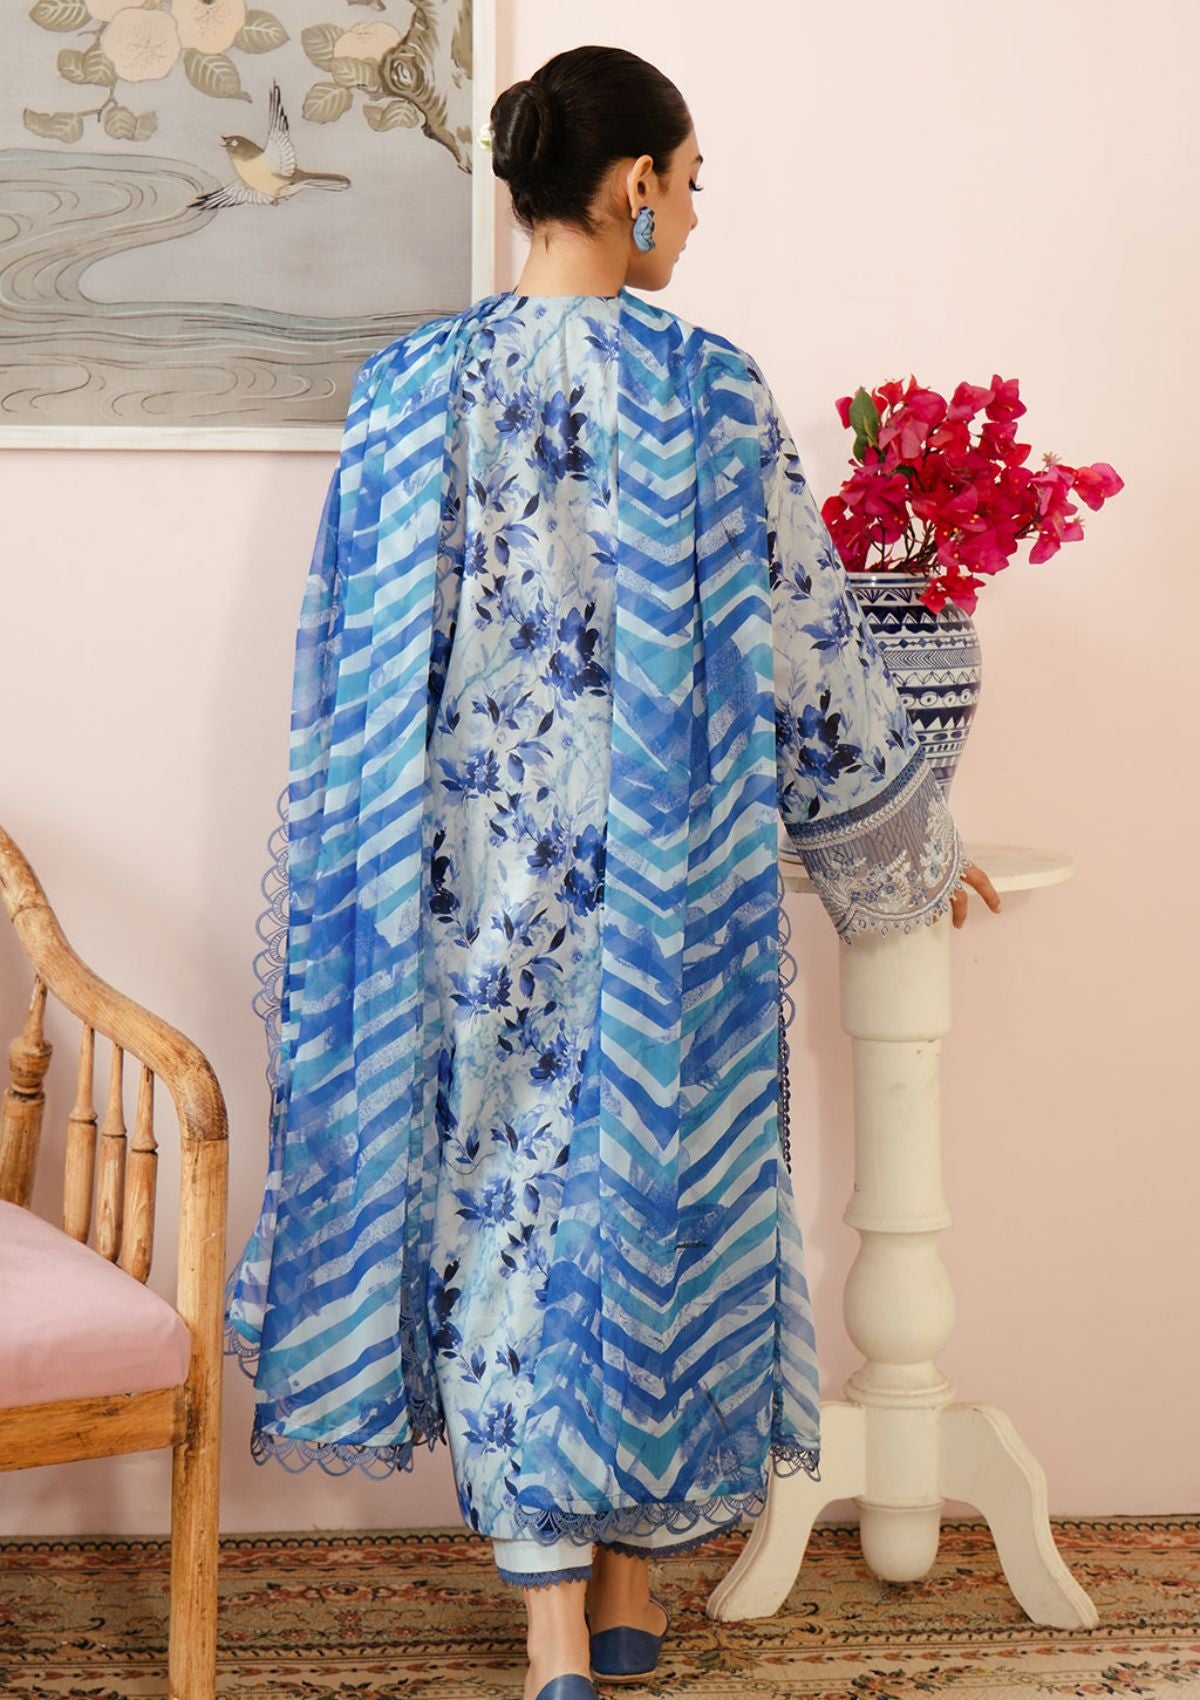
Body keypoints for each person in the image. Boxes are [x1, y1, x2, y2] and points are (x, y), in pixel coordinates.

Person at [225, 43, 1001, 1700]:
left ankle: (557, 1624)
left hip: (466, 885)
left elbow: (347, 660)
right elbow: (807, 640)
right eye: (694, 182)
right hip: (667, 886)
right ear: (637, 183)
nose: (697, 215)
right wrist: (908, 841)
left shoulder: (408, 390)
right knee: (655, 1198)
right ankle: (626, 1588)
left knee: (499, 1211)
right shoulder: (709, 391)